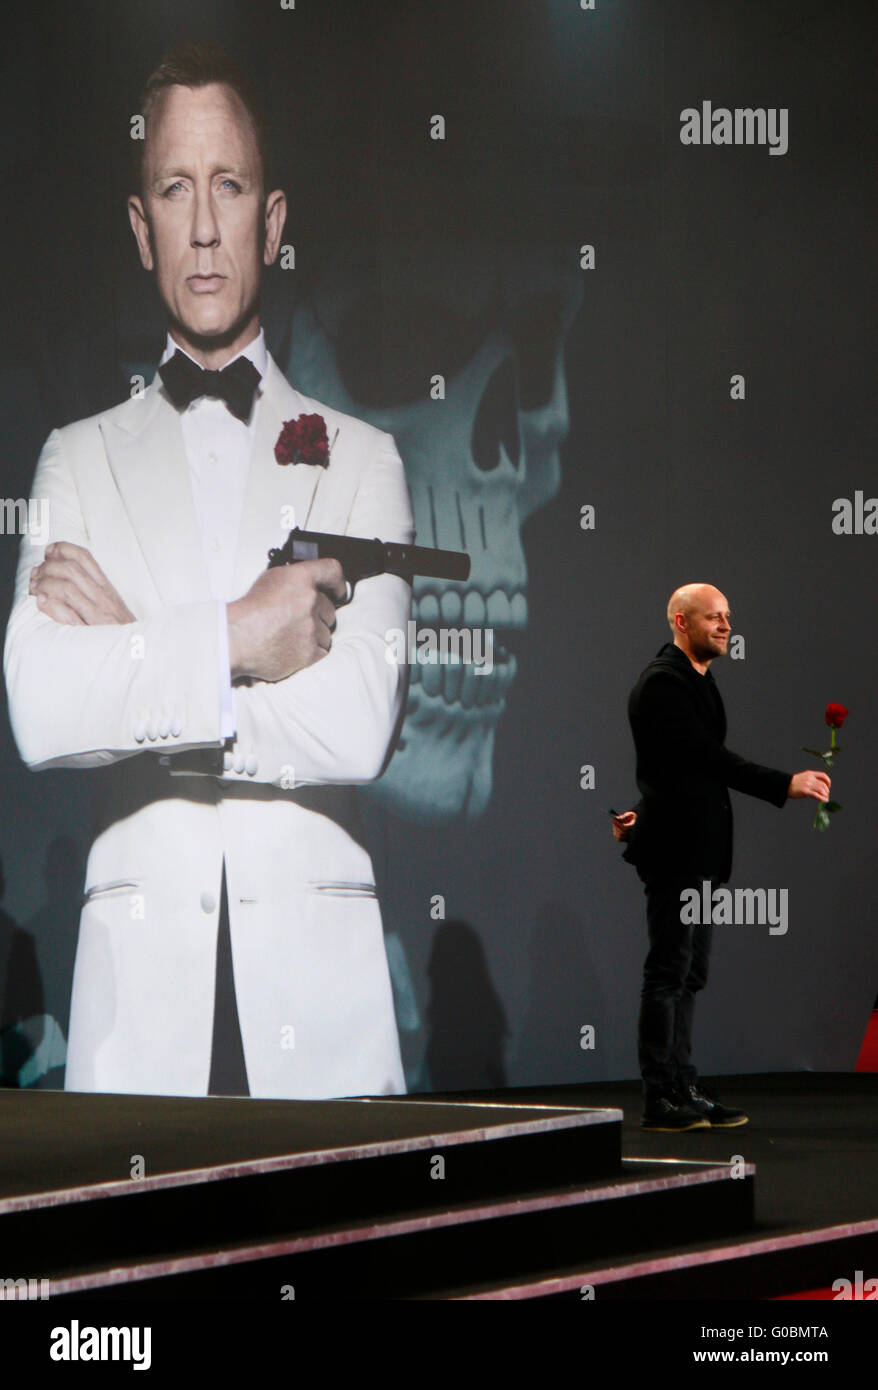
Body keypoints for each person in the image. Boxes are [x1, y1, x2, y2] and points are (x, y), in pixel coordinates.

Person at [3, 43, 414, 1099]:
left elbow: (357, 725)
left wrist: (141, 643)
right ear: (140, 229)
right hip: (135, 1024)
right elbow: (44, 706)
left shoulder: (364, 459)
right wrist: (239, 634)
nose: (200, 226)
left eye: (226, 186)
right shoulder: (74, 457)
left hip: (322, 1023)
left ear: (271, 222)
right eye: (173, 190)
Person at [613, 584, 830, 1131]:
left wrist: (643, 808)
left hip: (701, 850)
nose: (726, 625)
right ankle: (660, 1095)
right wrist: (787, 784)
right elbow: (707, 760)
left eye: (728, 617)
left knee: (691, 973)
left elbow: (673, 769)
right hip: (677, 854)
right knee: (669, 970)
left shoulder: (699, 683)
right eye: (714, 617)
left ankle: (684, 1083)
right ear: (682, 623)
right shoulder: (664, 684)